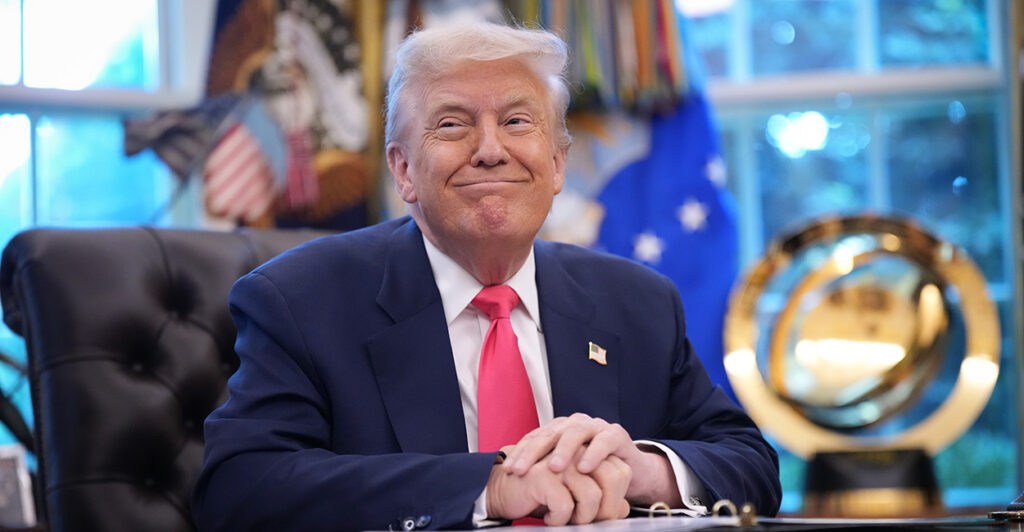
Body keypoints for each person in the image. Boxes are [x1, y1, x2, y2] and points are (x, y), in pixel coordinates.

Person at [192, 22, 781, 531]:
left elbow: (749, 462)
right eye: (452, 125)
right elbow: (241, 487)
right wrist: (489, 486)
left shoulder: (637, 301)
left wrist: (642, 469)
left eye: (518, 121)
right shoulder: (299, 299)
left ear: (556, 165)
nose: (491, 150)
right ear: (403, 171)